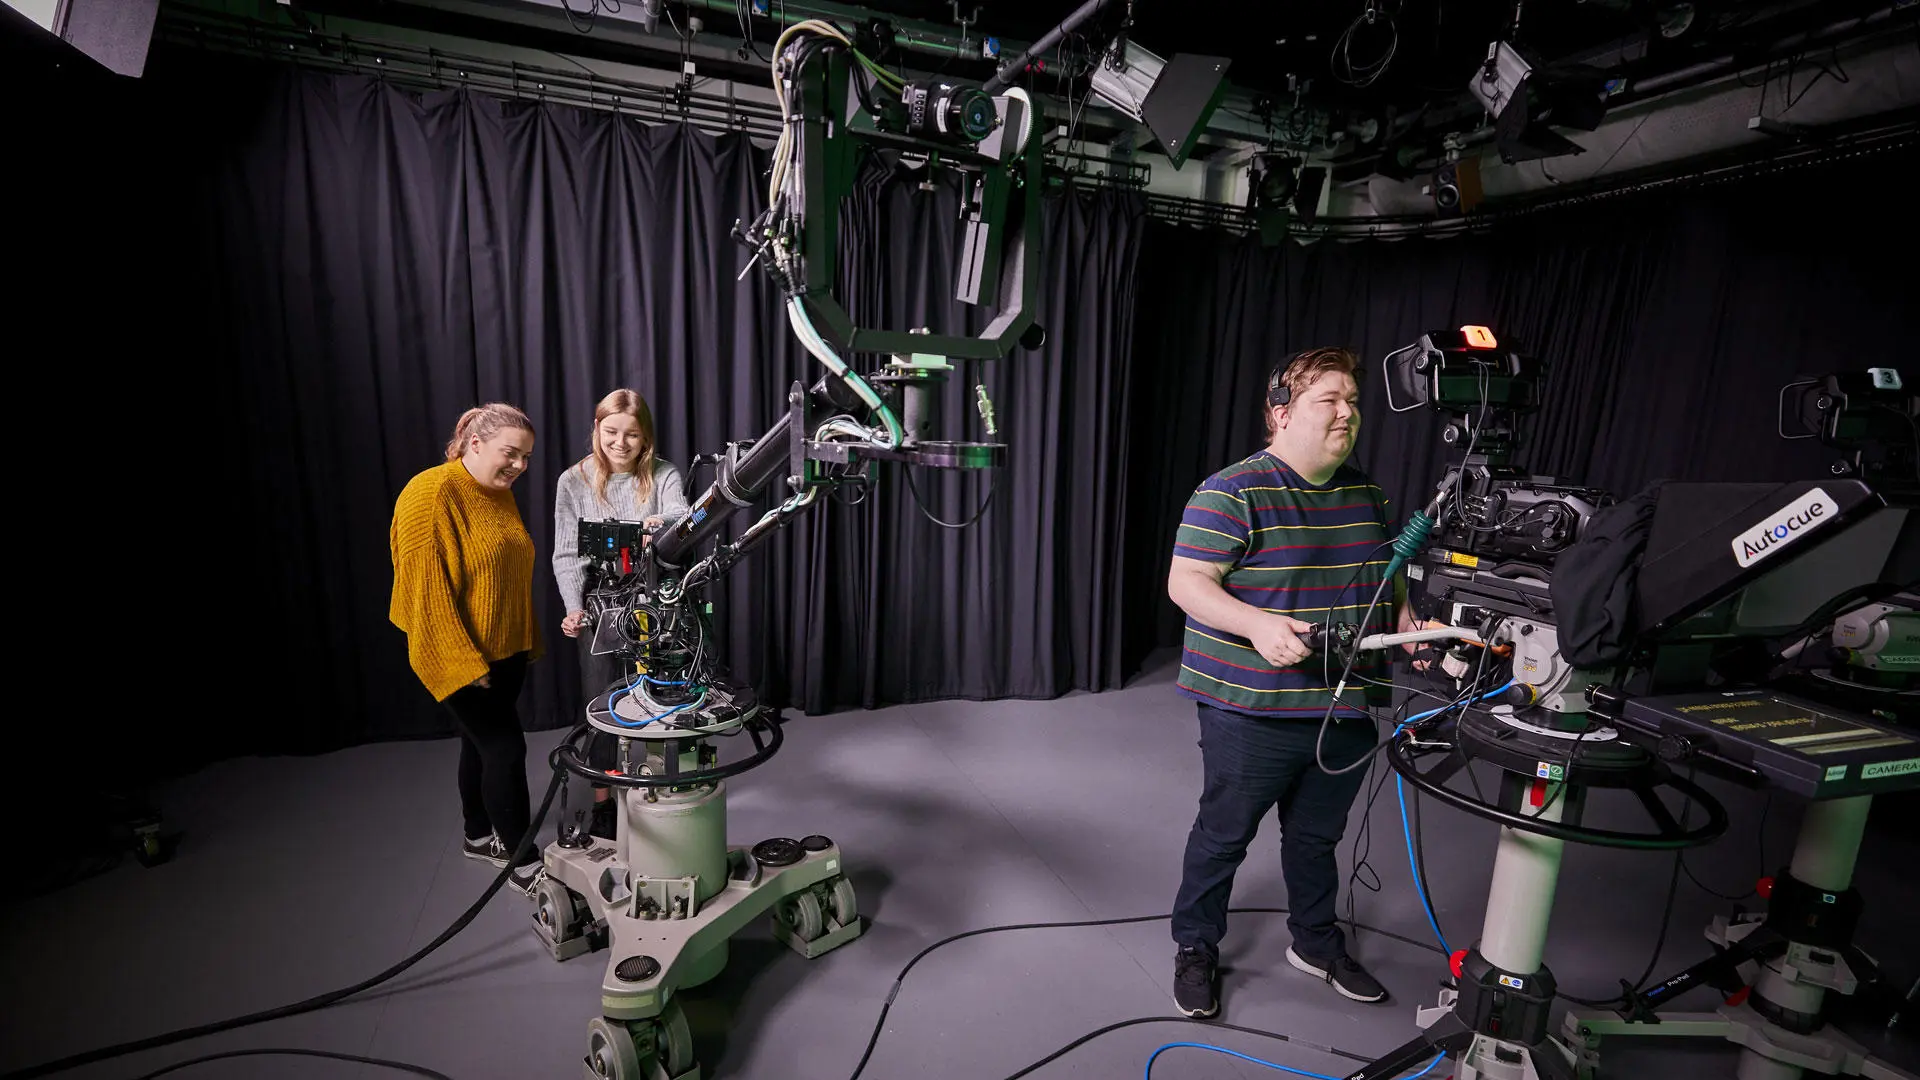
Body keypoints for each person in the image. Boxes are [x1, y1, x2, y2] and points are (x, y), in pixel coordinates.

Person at [1164, 346, 1420, 1018]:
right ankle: (1195, 945)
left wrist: (1409, 620)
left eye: (1352, 402)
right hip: (1252, 709)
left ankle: (1314, 942)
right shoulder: (1232, 491)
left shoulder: (1369, 495)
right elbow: (1186, 582)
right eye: (1328, 400)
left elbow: (1383, 577)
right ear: (1280, 414)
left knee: (1315, 840)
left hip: (1344, 710)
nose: (1347, 413)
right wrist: (1253, 624)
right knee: (1224, 835)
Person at [389, 402, 546, 898]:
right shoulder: (430, 491)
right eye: (510, 454)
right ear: (474, 444)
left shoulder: (497, 493)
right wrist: (462, 663)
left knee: (476, 745)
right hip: (463, 656)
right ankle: (524, 862)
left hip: (504, 653)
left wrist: (521, 643)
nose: (519, 466)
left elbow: (502, 572)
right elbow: (424, 589)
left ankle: (478, 836)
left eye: (525, 458)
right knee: (506, 747)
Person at [552, 389, 691, 838]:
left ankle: (654, 791)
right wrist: (574, 610)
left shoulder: (664, 473)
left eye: (632, 434)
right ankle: (602, 803)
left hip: (653, 601)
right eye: (611, 432)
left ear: (645, 436)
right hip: (600, 602)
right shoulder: (573, 481)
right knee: (601, 705)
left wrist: (662, 524)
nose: (620, 443)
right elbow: (566, 554)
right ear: (597, 429)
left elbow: (682, 513)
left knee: (657, 695)